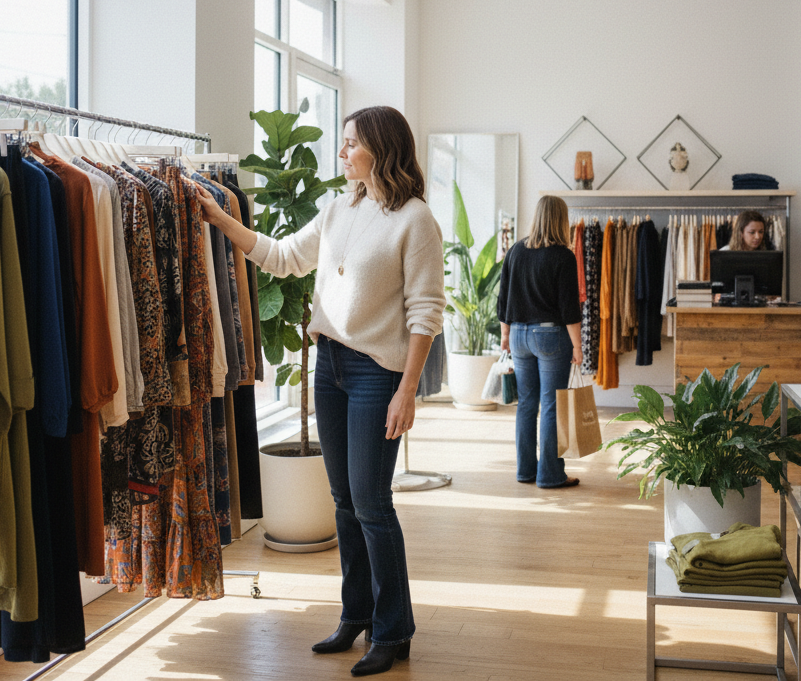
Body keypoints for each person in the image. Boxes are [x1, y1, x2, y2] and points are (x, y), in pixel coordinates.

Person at [190, 106, 445, 676]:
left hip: (378, 373)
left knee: (373, 505)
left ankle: (393, 629)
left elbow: (426, 314)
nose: (341, 152)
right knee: (345, 504)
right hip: (329, 367)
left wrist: (407, 392)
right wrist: (219, 218)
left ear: (380, 148)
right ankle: (355, 614)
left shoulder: (415, 219)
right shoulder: (338, 208)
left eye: (350, 143)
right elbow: (283, 258)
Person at [497, 195, 583, 489]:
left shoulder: (516, 250)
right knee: (550, 404)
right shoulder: (563, 255)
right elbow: (569, 308)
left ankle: (526, 471)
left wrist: (505, 336)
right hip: (549, 336)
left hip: (519, 335)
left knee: (527, 404)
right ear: (561, 219)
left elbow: (503, 298)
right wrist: (578, 346)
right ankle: (550, 474)